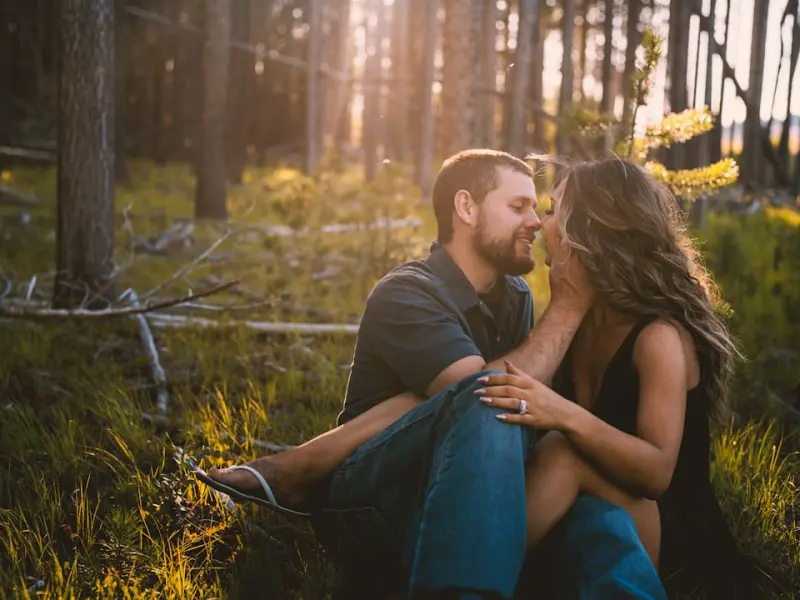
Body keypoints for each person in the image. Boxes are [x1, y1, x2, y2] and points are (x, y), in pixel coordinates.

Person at [196, 149, 667, 599]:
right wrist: (567, 307)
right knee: (488, 399)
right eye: (519, 205)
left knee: (596, 519)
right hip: (374, 500)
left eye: (536, 207)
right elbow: (483, 394)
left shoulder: (515, 298)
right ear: (466, 207)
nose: (536, 223)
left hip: (468, 499)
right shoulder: (407, 292)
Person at [476, 157, 781, 599]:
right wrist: (566, 311)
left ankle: (471, 581)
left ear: (591, 230)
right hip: (590, 510)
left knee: (563, 453)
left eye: (553, 209)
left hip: (668, 529)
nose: (543, 225)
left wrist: (562, 414)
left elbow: (656, 473)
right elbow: (494, 393)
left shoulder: (658, 337)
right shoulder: (575, 317)